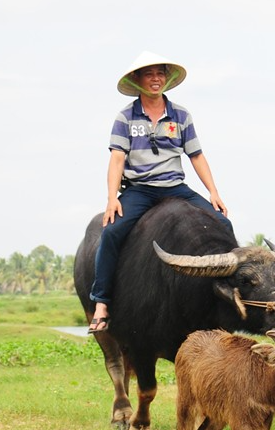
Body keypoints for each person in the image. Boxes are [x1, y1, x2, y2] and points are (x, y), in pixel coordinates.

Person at [88, 51, 233, 333]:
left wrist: (214, 192)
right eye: (149, 74)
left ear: (166, 79)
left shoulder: (181, 115)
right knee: (111, 233)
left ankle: (227, 296)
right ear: (138, 80)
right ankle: (102, 303)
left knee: (223, 223)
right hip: (140, 190)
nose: (155, 79)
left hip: (175, 187)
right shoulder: (125, 117)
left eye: (160, 74)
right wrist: (111, 199)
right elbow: (117, 159)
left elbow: (197, 156)